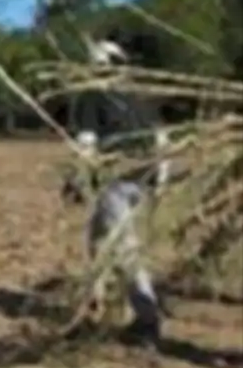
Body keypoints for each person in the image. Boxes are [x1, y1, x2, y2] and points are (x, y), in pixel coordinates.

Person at [62, 36, 165, 346]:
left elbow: (86, 142)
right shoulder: (139, 97)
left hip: (116, 181)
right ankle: (94, 307)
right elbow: (162, 140)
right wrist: (158, 181)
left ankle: (147, 318)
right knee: (97, 240)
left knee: (123, 249)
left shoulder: (93, 96)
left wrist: (75, 178)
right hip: (142, 180)